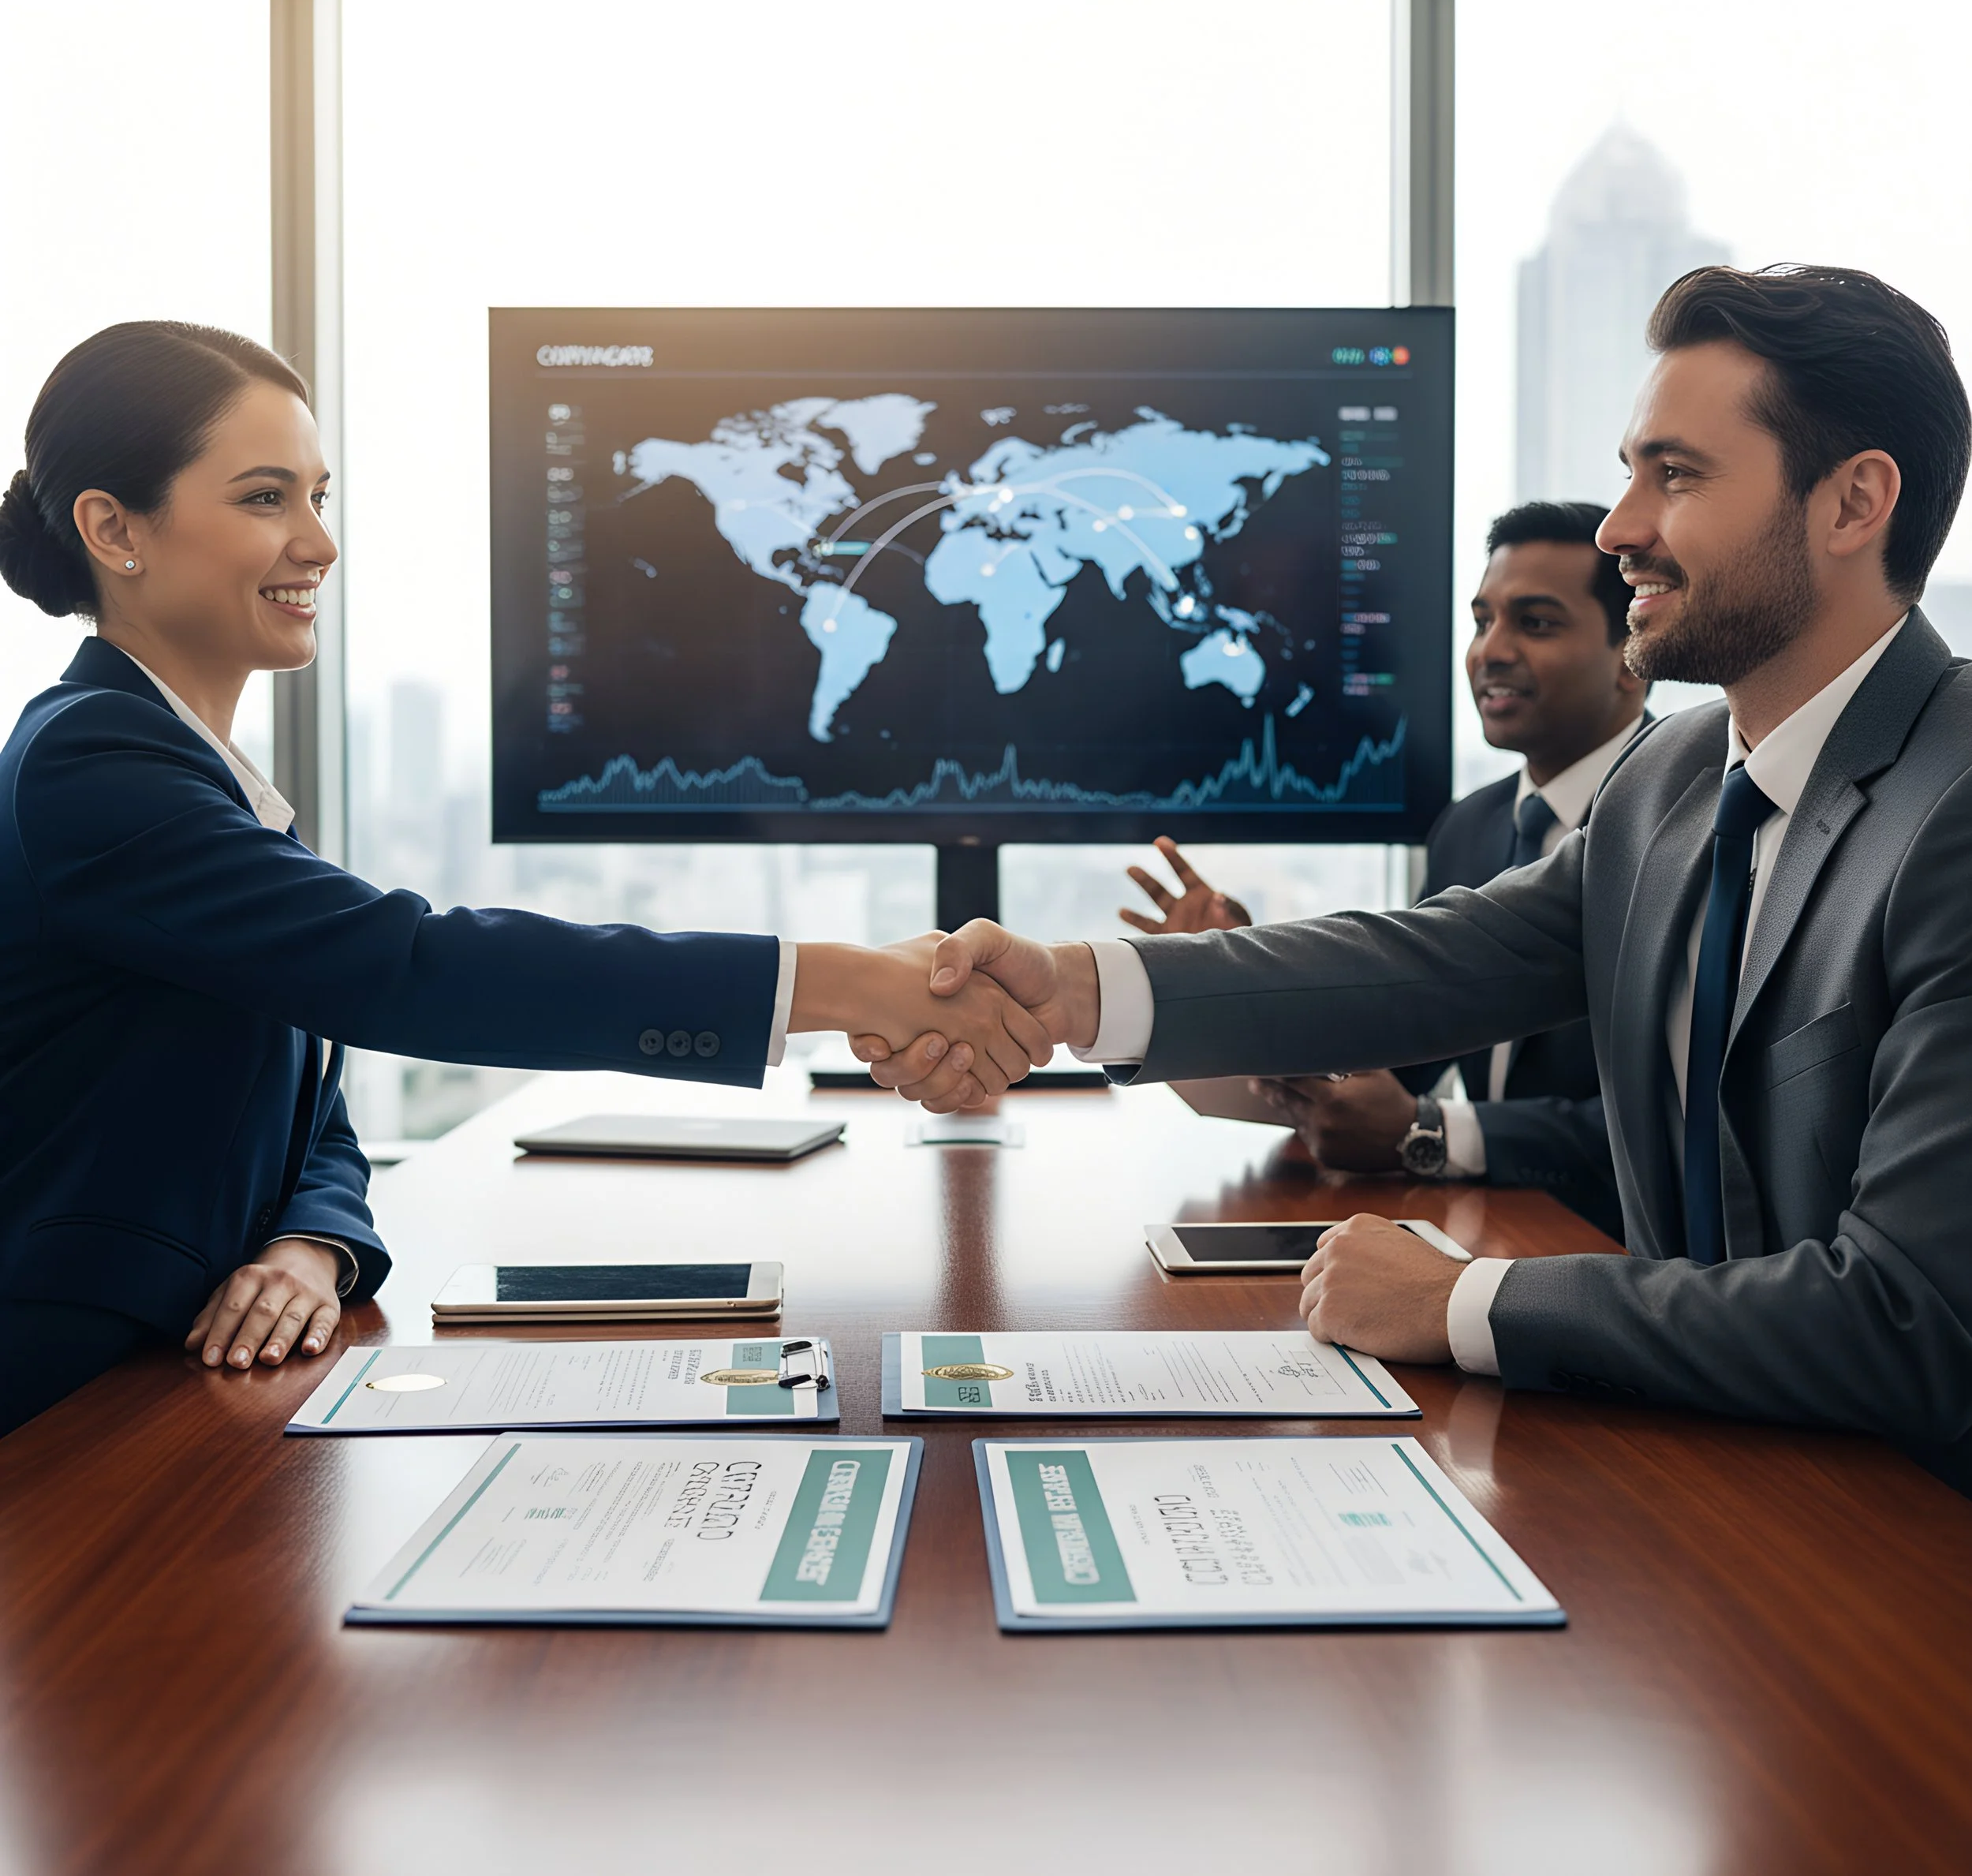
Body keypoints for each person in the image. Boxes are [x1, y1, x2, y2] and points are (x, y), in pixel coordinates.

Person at [871, 264, 1972, 1491]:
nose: (1620, 529)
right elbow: (1437, 960)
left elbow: (1912, 1322)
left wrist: (1462, 1302)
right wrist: (1076, 988)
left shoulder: (1955, 804)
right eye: (1630, 473)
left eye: (1676, 475)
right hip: (1697, 1475)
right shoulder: (1669, 781)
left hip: (1902, 1532)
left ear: (1854, 502)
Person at [0, 321, 1040, 1435]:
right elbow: (406, 971)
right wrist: (847, 982)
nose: (319, 543)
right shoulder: (90, 764)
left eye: (318, 496)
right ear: (113, 529)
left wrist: (313, 1245)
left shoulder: (190, 771)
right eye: (265, 498)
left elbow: (314, 1107)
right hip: (66, 1401)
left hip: (191, 1383)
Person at [1120, 499, 1645, 1230]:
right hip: (1500, 1230)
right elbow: (1400, 1061)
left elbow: (1683, 1125)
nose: (1489, 651)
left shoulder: (1682, 826)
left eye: (1535, 623)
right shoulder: (1469, 827)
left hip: (1626, 1252)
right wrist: (1234, 987)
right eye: (1482, 621)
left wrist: (1433, 1130)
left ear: (1632, 656)